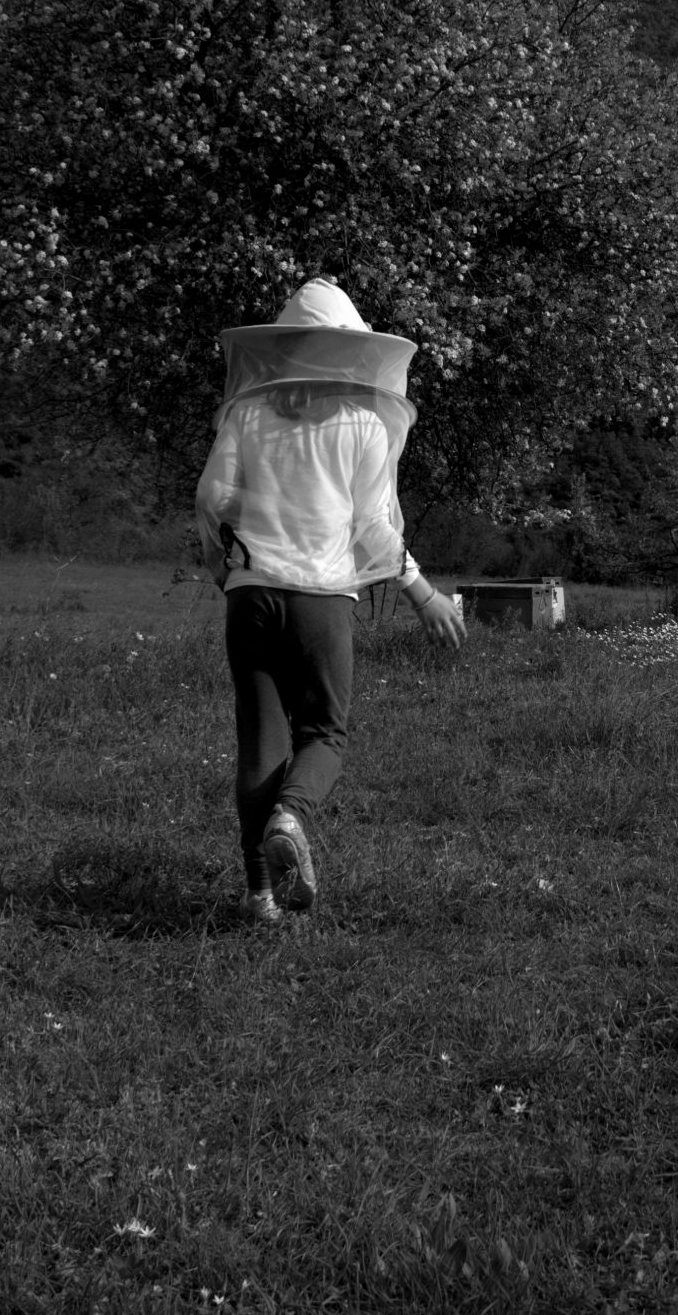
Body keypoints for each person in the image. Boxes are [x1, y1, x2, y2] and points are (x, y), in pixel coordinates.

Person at [194, 278, 465, 924]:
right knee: (322, 733)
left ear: (288, 349)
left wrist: (220, 565)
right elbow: (374, 527)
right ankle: (291, 817)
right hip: (320, 598)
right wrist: (423, 593)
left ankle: (260, 894)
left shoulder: (249, 414)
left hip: (250, 593)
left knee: (260, 742)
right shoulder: (364, 423)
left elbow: (213, 497)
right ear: (348, 351)